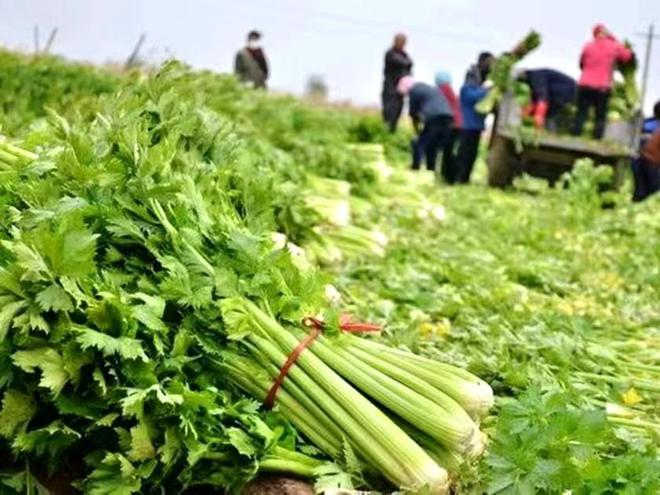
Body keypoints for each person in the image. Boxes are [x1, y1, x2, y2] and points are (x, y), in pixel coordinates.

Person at [571, 24, 633, 139]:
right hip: (602, 87)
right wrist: (614, 39)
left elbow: (581, 64)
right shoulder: (614, 46)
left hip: (584, 84)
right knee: (600, 115)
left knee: (581, 112)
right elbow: (627, 56)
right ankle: (596, 137)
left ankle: (575, 134)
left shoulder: (588, 45)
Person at [397, 75, 454, 171]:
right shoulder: (426, 87)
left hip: (434, 118)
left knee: (420, 143)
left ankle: (415, 167)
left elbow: (413, 112)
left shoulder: (414, 90)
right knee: (433, 145)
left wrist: (416, 130)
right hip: (448, 116)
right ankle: (431, 170)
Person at [435, 72, 463, 184]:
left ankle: (448, 176)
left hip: (452, 124)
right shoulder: (449, 89)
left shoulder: (443, 89)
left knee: (448, 151)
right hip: (458, 124)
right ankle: (449, 176)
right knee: (450, 151)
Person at [382, 33, 413, 132]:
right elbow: (404, 62)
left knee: (398, 112)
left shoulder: (404, 54)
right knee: (390, 112)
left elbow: (410, 63)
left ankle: (393, 131)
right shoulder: (390, 53)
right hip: (390, 89)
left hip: (400, 90)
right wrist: (407, 64)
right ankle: (387, 132)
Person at [632, 101, 660, 201]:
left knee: (639, 192)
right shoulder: (656, 127)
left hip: (638, 159)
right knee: (653, 194)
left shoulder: (646, 123)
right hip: (651, 163)